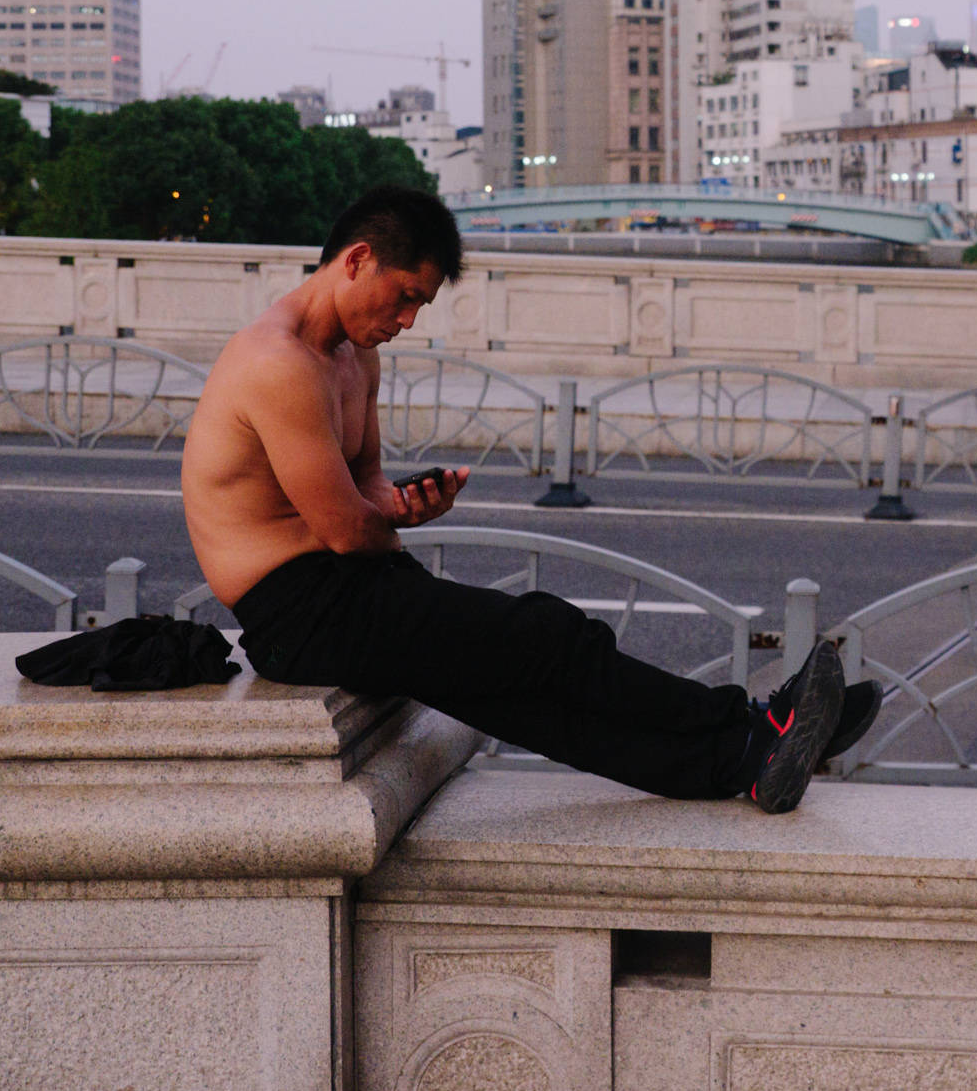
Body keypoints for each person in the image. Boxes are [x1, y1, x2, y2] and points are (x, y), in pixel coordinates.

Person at [182, 184, 873, 811]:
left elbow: (364, 493)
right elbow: (343, 528)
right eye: (404, 296)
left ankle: (742, 759)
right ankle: (756, 727)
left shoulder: (356, 357)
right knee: (547, 638)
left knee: (525, 699)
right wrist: (383, 521)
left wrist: (402, 508)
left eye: (421, 303)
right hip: (296, 612)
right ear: (357, 258)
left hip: (349, 586)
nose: (409, 319)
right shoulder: (278, 363)